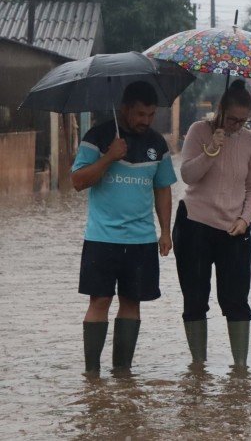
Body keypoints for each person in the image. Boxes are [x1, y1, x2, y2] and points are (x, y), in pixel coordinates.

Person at [71, 81, 177, 375]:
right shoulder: (98, 137)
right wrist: (108, 157)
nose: (146, 120)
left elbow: (163, 189)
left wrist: (165, 231)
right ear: (125, 109)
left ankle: (123, 372)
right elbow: (78, 182)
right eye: (140, 114)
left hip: (142, 240)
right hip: (101, 238)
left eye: (151, 114)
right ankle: (92, 374)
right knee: (100, 300)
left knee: (132, 302)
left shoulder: (157, 144)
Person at [173, 79, 251, 368]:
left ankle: (240, 369)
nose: (237, 125)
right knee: (195, 299)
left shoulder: (249, 141)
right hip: (195, 224)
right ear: (221, 110)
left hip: (234, 229)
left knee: (236, 301)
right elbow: (188, 174)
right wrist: (211, 149)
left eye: (243, 121)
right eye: (233, 119)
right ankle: (198, 368)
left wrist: (244, 219)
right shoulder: (199, 131)